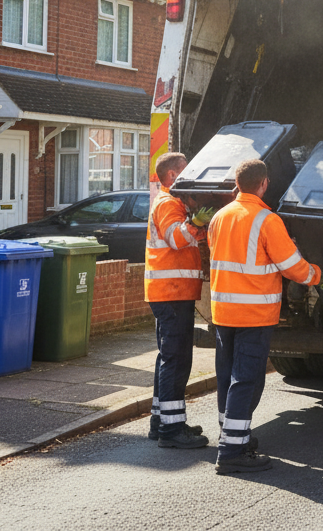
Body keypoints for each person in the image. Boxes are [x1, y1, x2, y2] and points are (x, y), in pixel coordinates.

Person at [207, 159, 323, 474]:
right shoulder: (267, 220)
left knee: (228, 376)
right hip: (254, 313)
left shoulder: (219, 217)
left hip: (223, 311)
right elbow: (291, 265)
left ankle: (233, 435)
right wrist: (315, 274)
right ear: (264, 184)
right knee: (246, 379)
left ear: (237, 183)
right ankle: (232, 452)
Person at [145, 152, 212, 449]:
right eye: (186, 170)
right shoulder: (168, 203)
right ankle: (172, 430)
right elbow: (175, 238)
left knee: (168, 358)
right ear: (172, 175)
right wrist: (197, 223)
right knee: (176, 359)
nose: (191, 174)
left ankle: (162, 422)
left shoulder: (169, 202)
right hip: (171, 293)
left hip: (170, 292)